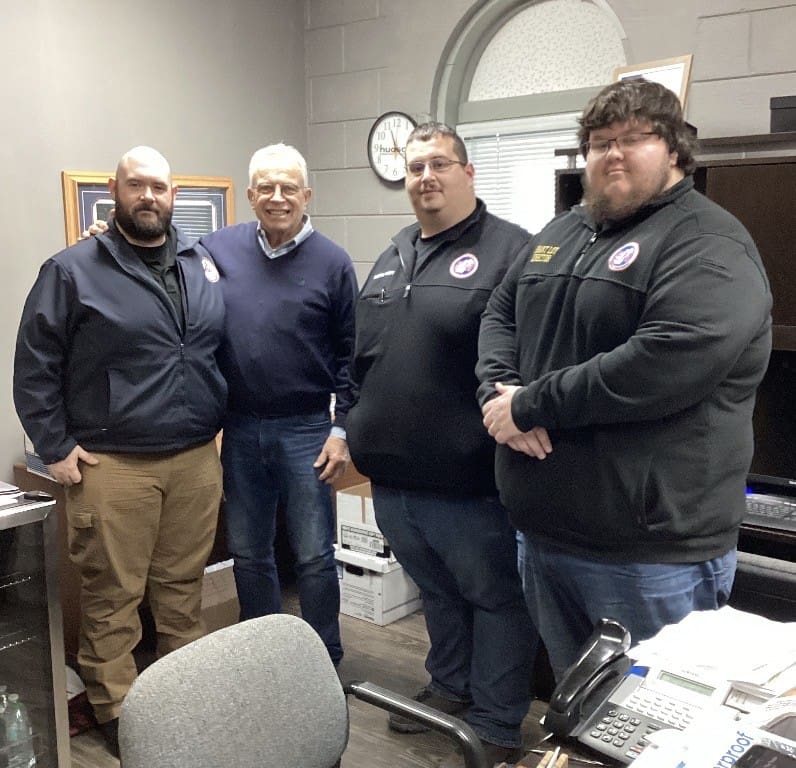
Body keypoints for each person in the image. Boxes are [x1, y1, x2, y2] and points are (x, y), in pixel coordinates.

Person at [476, 79, 772, 681]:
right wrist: (497, 392)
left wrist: (531, 405)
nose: (612, 153)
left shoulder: (708, 241)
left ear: (674, 149)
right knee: (579, 708)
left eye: (633, 138)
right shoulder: (562, 232)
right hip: (546, 535)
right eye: (599, 141)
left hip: (650, 555)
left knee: (653, 719)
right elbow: (500, 312)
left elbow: (663, 362)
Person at [14, 146, 227, 755]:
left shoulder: (198, 261)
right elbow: (34, 365)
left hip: (194, 458)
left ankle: (182, 695)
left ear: (174, 195)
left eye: (159, 186)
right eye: (136, 185)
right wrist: (54, 446)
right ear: (115, 191)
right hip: (114, 464)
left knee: (182, 590)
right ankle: (118, 710)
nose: (148, 197)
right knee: (113, 597)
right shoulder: (72, 270)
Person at [346, 122, 536, 767]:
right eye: (415, 167)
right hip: (393, 478)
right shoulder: (395, 251)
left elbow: (522, 361)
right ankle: (449, 687)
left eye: (439, 164)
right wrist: (351, 421)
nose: (426, 177)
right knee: (438, 591)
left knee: (495, 598)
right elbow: (363, 354)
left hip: (470, 483)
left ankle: (497, 722)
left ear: (468, 172)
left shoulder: (511, 250)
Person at [201, 143, 357, 666]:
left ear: (306, 195)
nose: (277, 197)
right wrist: (106, 237)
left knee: (313, 555)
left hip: (307, 429)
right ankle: (263, 660)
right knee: (249, 552)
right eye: (266, 187)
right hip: (240, 429)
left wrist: (341, 430)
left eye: (288, 187)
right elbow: (158, 259)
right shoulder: (217, 250)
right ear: (250, 196)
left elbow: (352, 355)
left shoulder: (333, 263)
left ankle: (322, 659)